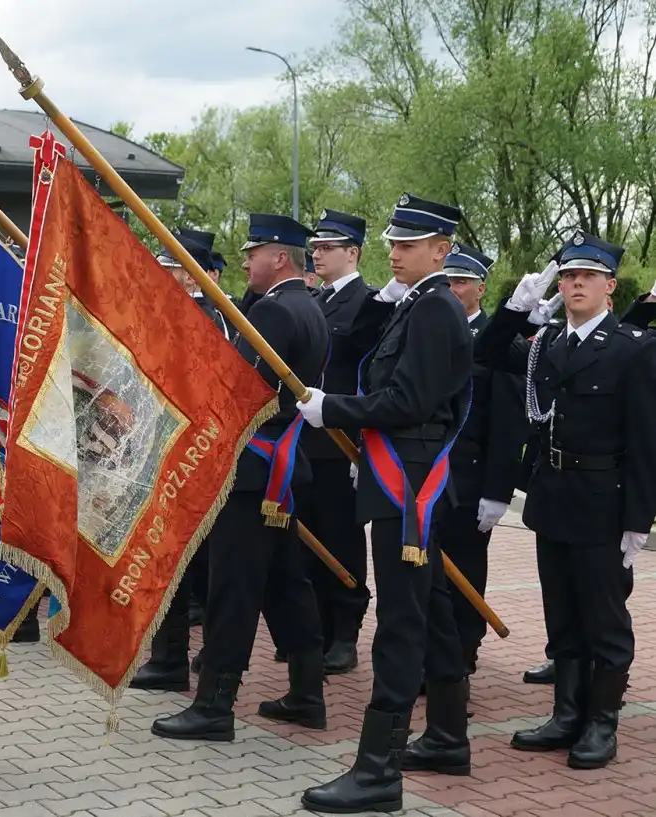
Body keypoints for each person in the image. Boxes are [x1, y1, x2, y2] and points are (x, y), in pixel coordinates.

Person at [297, 193, 473, 813]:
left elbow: (406, 403)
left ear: (441, 250)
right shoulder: (419, 306)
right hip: (405, 475)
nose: (394, 252)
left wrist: (332, 409)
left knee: (400, 620)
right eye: (393, 242)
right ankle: (449, 736)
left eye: (408, 244)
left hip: (409, 482)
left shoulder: (433, 311)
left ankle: (378, 770)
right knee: (436, 609)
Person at [473, 232, 656, 770]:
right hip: (552, 498)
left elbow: (647, 441)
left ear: (609, 286)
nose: (575, 284)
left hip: (604, 501)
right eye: (568, 276)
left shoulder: (634, 350)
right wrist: (513, 310)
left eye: (587, 277)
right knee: (562, 615)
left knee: (604, 619)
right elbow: (484, 352)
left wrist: (638, 519)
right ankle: (566, 713)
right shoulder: (548, 343)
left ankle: (602, 723)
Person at [151, 214, 329, 740]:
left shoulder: (274, 313)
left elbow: (240, 391)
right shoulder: (308, 307)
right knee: (284, 583)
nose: (245, 260)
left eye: (254, 252)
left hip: (255, 469)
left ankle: (214, 705)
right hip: (283, 465)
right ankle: (307, 691)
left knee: (233, 586)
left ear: (279, 257)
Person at [130, 231, 227, 691]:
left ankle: (186, 656)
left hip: (192, 452)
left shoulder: (210, 317)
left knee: (192, 563)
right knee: (167, 558)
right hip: (162, 447)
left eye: (174, 267)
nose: (165, 273)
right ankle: (166, 657)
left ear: (193, 274)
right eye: (164, 265)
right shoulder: (168, 313)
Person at [441, 243, 530, 675]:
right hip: (428, 477)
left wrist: (497, 492)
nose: (453, 289)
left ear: (481, 286)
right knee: (424, 570)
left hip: (471, 479)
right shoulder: (432, 329)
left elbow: (508, 425)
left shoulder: (499, 341)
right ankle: (430, 655)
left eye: (460, 281)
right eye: (447, 280)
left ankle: (462, 657)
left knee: (465, 573)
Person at [298, 208, 374, 675]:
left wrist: (363, 442)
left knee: (342, 538)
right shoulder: (316, 301)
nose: (318, 253)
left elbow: (369, 375)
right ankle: (319, 629)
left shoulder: (369, 303)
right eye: (316, 247)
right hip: (307, 443)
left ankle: (345, 631)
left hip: (341, 444)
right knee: (310, 542)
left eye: (328, 246)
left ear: (353, 252)